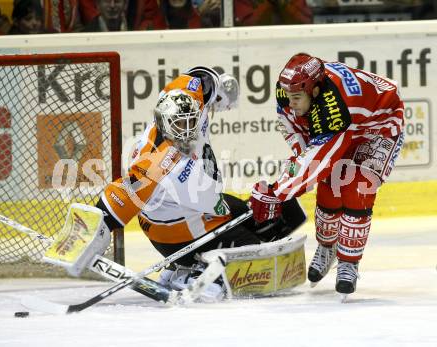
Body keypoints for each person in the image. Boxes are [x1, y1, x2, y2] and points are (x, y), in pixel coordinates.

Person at [95, 66, 306, 298]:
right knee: (255, 257)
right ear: (163, 122)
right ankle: (192, 273)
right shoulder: (156, 161)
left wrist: (221, 91)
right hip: (179, 237)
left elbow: (201, 80)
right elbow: (122, 195)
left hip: (192, 212)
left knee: (277, 216)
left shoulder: (187, 98)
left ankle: (180, 268)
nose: (186, 130)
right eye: (179, 125)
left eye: (190, 122)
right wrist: (91, 233)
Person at [249, 53, 405, 297]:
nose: (291, 103)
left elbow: (315, 163)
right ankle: (327, 247)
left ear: (316, 90)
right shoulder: (290, 91)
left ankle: (349, 262)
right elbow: (295, 132)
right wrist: (295, 175)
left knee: (357, 188)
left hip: (378, 126)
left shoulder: (334, 110)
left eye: (297, 98)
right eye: (288, 96)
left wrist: (277, 192)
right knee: (329, 184)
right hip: (348, 123)